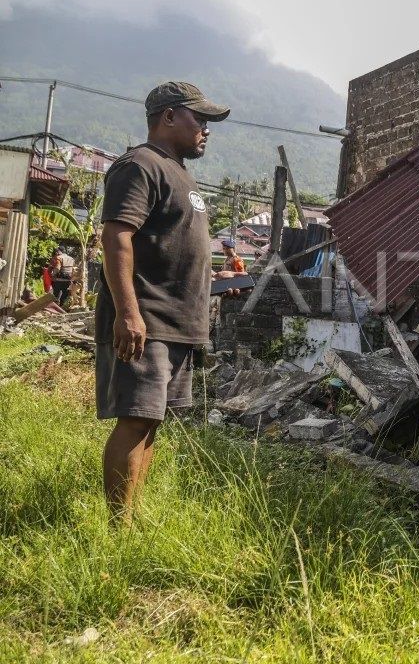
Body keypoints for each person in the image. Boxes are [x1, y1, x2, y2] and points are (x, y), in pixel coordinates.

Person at [96, 81, 242, 523]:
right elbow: (116, 237)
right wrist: (128, 313)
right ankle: (119, 529)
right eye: (202, 119)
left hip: (177, 324)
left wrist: (211, 279)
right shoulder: (139, 165)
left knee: (152, 423)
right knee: (136, 419)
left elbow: (173, 246)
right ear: (170, 116)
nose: (207, 129)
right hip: (147, 319)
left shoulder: (180, 172)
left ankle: (133, 518)